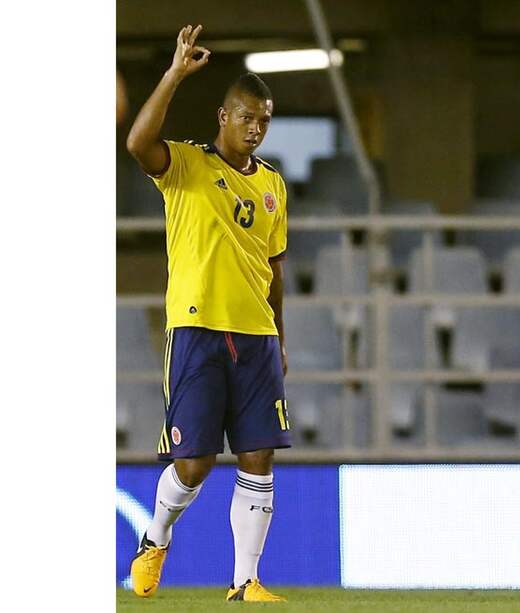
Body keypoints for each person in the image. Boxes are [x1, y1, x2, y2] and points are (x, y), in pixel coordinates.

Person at [125, 24, 290, 603]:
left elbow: (275, 267)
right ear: (224, 117)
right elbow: (137, 145)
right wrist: (173, 74)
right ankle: (154, 538)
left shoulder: (273, 185)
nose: (256, 128)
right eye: (248, 117)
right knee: (194, 465)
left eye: (265, 120)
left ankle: (245, 582)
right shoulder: (186, 167)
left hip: (257, 338)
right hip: (196, 331)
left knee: (258, 456)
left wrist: (281, 337)